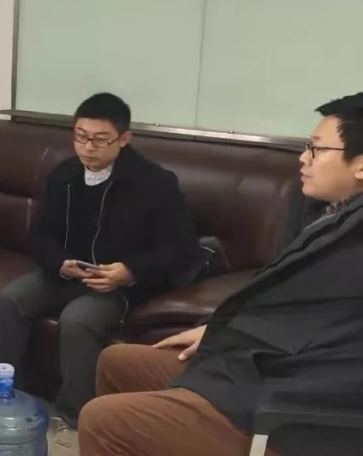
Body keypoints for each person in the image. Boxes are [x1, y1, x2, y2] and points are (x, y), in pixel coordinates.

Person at [78, 92, 363, 456]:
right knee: (117, 361)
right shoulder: (318, 212)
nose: (303, 157)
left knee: (103, 420)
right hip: (254, 367)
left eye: (317, 149)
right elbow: (287, 303)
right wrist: (220, 329)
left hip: (287, 403)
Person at [0, 92, 199, 454]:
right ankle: (7, 396)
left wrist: (129, 271)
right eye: (81, 137)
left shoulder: (155, 183)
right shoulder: (64, 175)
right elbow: (39, 235)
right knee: (11, 299)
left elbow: (180, 249)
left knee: (78, 319)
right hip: (68, 273)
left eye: (100, 140)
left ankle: (73, 419)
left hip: (118, 286)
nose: (88, 148)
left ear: (124, 139)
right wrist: (60, 263)